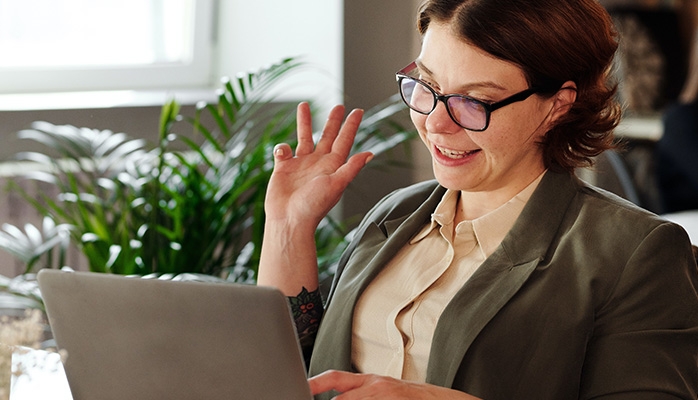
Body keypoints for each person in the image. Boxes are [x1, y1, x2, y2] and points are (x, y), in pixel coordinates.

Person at [258, 0, 698, 398]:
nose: (436, 123)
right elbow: (295, 371)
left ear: (557, 106)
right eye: (425, 86)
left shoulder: (633, 252)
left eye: (473, 101)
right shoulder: (394, 215)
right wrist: (288, 227)